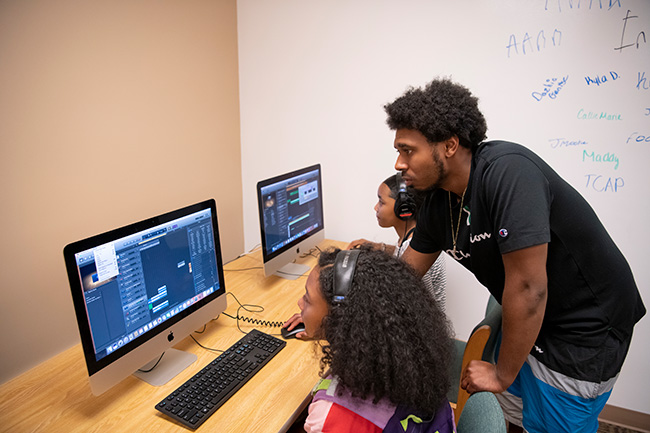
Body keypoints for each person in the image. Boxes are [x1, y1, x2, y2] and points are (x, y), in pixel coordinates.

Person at [383, 77, 645, 433]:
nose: (399, 163)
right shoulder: (437, 200)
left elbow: (528, 289)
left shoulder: (507, 172)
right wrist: (332, 302)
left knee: (555, 423)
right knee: (527, 418)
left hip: (585, 325)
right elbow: (403, 276)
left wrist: (502, 373)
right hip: (535, 319)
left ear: (449, 145)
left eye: (408, 150)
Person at [283, 247, 455, 433]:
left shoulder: (329, 418)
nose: (300, 303)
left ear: (340, 318)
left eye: (307, 299)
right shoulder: (418, 369)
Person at [347, 173, 446, 310]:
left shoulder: (419, 249)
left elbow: (405, 300)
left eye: (381, 202)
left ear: (403, 208)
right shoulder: (413, 239)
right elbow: (401, 253)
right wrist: (380, 247)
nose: (375, 207)